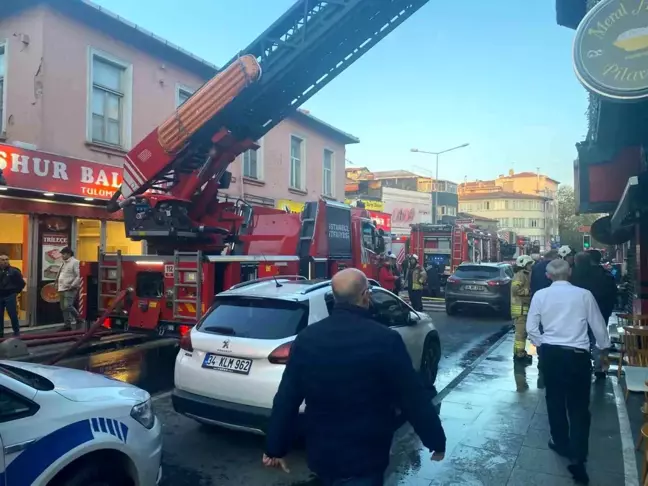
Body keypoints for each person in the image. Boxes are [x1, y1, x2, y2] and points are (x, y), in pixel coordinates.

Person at [263, 268, 446, 485]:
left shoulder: (307, 339)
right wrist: (435, 440)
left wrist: (275, 448)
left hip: (321, 454)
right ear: (365, 295)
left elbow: (287, 397)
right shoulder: (385, 340)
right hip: (366, 457)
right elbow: (411, 397)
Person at [526, 259, 611, 485]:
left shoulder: (540, 296)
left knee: (554, 400)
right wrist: (604, 350)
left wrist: (543, 343)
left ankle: (560, 442)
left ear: (548, 276)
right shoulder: (584, 295)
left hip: (552, 355)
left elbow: (531, 328)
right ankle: (578, 454)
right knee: (579, 406)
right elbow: (598, 325)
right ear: (569, 273)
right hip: (577, 356)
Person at [571, 251, 617, 380]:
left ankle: (583, 365)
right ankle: (599, 368)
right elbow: (612, 294)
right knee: (599, 340)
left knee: (583, 339)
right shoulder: (606, 275)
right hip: (602, 313)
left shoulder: (577, 275)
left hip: (581, 314)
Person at [512, 254, 534, 363]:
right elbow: (515, 289)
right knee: (520, 334)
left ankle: (519, 352)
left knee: (522, 333)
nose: (531, 266)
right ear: (524, 264)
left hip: (523, 308)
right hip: (519, 309)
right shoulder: (520, 275)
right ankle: (519, 355)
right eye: (529, 264)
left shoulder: (525, 274)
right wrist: (528, 292)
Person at [55, 247, 82, 330]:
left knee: (67, 306)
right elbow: (61, 274)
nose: (62, 255)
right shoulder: (63, 263)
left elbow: (78, 275)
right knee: (63, 307)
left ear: (69, 254)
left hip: (70, 288)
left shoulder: (75, 262)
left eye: (64, 254)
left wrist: (73, 285)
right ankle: (67, 325)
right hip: (62, 288)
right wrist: (56, 282)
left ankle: (79, 318)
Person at [0, 255, 25, 337]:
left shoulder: (14, 271)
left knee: (13, 314)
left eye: (7, 259)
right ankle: (1, 334)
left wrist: (16, 292)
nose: (5, 261)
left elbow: (22, 283)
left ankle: (16, 332)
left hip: (10, 295)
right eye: (3, 260)